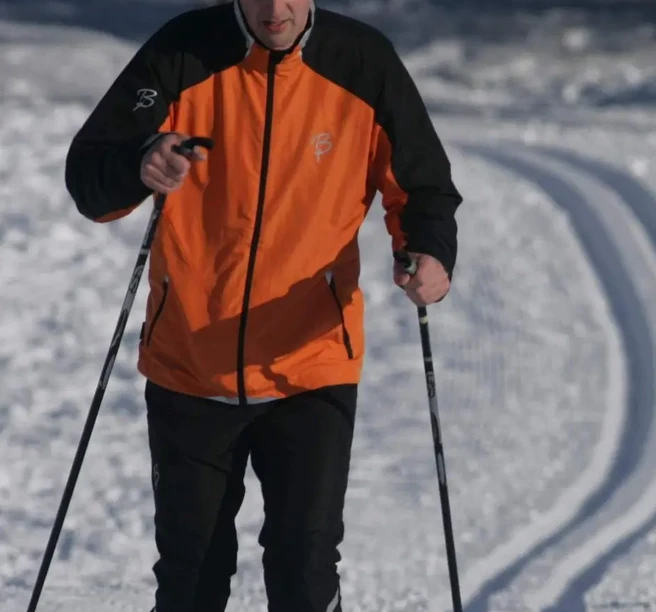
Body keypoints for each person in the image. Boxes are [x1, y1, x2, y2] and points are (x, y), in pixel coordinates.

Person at [64, 0, 461, 609]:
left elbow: (423, 185)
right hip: (190, 364)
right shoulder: (183, 53)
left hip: (311, 363)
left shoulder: (362, 62)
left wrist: (428, 253)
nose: (276, 9)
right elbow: (90, 177)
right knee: (191, 579)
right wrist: (140, 161)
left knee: (304, 573)